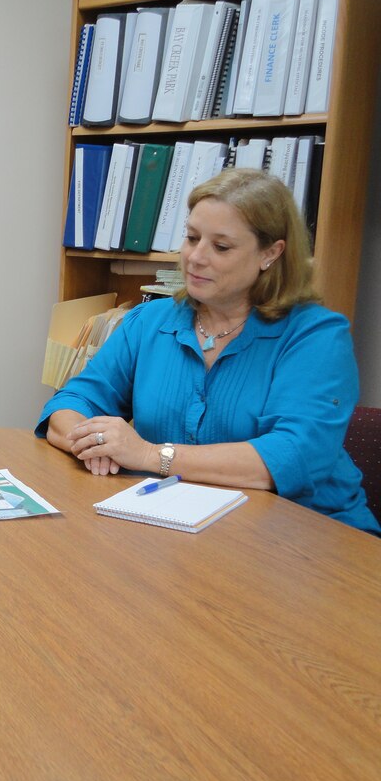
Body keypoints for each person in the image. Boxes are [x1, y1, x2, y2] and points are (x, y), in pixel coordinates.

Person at [36, 167, 377, 534]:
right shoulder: (149, 320)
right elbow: (71, 402)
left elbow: (293, 456)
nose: (196, 257)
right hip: (183, 528)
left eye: (221, 246)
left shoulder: (316, 336)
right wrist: (95, 442)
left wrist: (149, 455)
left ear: (271, 253)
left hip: (306, 538)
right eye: (191, 237)